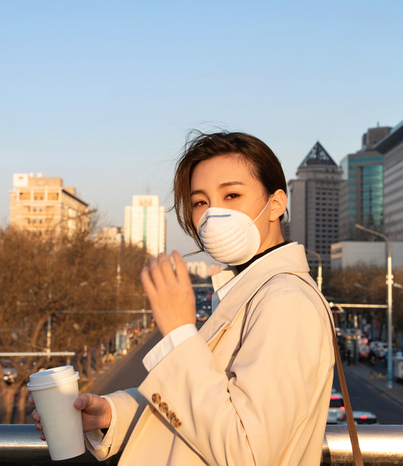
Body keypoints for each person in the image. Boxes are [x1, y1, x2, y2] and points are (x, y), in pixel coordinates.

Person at [30, 132, 336, 465]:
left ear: (276, 203)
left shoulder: (285, 299)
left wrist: (178, 334)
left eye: (232, 194)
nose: (213, 215)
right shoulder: (252, 289)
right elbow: (212, 404)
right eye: (201, 202)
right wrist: (110, 413)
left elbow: (246, 451)